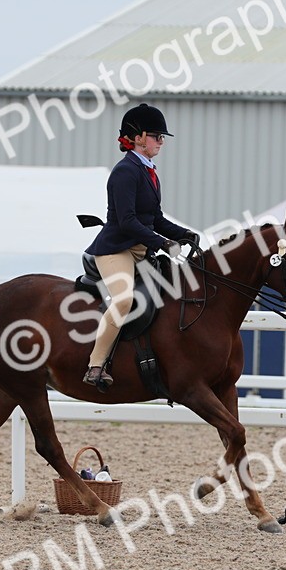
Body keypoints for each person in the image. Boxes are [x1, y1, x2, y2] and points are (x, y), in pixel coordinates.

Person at [83, 103, 198, 389]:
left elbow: (155, 218)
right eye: (157, 136)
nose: (161, 142)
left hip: (141, 249)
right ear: (138, 138)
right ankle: (96, 365)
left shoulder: (148, 171)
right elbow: (127, 221)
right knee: (124, 300)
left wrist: (184, 234)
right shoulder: (125, 171)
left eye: (161, 137)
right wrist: (163, 243)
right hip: (116, 249)